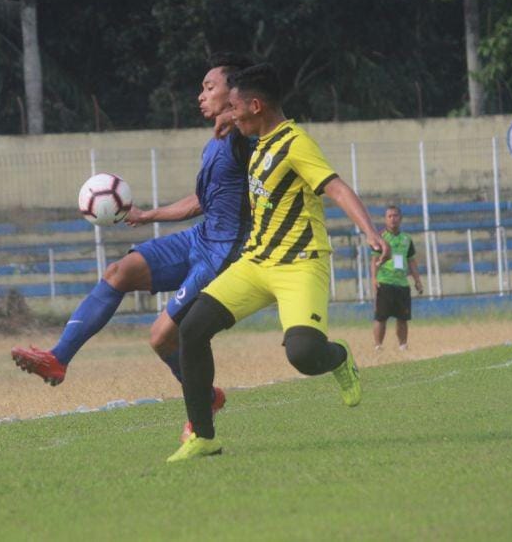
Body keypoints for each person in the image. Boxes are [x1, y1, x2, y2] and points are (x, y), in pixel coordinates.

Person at [11, 53, 254, 440]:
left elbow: (266, 120)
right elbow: (200, 202)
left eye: (209, 88)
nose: (200, 96)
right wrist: (147, 215)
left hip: (224, 251)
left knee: (164, 338)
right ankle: (58, 359)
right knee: (118, 272)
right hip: (200, 238)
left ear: (236, 93)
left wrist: (241, 120)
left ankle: (202, 400)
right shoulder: (215, 143)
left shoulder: (249, 135)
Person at [167, 63, 390, 462]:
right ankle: (203, 435)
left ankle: (338, 358)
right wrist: (231, 126)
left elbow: (336, 187)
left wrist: (370, 232)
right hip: (257, 262)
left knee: (303, 355)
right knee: (192, 329)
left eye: (234, 108)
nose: (228, 114)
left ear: (255, 106)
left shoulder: (296, 143)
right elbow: (237, 135)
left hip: (300, 264)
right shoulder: (255, 138)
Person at [370, 205, 423, 351]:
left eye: (395, 216)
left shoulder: (406, 239)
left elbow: (411, 260)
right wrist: (374, 279)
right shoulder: (380, 238)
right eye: (390, 216)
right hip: (385, 282)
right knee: (381, 317)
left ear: (401, 218)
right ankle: (378, 346)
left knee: (403, 318)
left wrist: (417, 280)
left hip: (402, 283)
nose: (393, 219)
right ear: (385, 219)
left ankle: (403, 345)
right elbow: (374, 260)